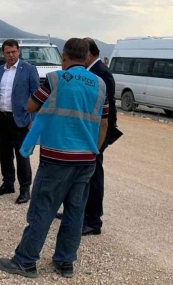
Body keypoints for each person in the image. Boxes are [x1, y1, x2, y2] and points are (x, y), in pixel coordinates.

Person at [0, 38, 109, 279]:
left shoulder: (56, 79)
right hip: (87, 160)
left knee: (42, 209)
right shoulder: (100, 85)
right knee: (75, 212)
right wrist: (93, 150)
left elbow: (30, 106)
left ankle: (25, 261)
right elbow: (104, 124)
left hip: (57, 159)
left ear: (64, 58)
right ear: (87, 56)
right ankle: (65, 261)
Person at [54, 38, 118, 236]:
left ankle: (93, 220)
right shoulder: (92, 72)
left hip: (96, 133)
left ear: (88, 55)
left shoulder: (102, 74)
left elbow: (103, 110)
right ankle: (76, 213)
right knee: (79, 174)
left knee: (94, 175)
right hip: (86, 132)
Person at [0, 39, 40, 204]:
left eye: (13, 51)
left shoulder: (29, 70)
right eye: (7, 52)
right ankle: (8, 184)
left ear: (18, 51)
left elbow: (37, 96)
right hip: (3, 118)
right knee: (5, 154)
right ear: (3, 53)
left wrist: (32, 119)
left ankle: (24, 190)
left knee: (22, 156)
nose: (11, 55)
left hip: (21, 120)